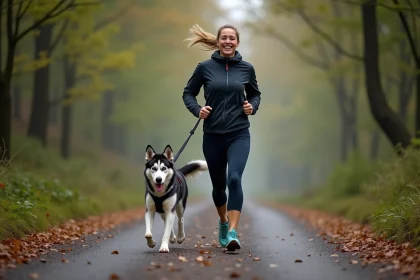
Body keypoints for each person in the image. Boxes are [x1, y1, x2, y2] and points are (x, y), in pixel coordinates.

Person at [182, 24, 261, 251]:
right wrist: (198, 110)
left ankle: (234, 232)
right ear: (218, 42)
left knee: (234, 179)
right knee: (218, 188)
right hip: (213, 135)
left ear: (237, 42)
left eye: (232, 38)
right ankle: (224, 222)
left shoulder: (247, 69)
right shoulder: (204, 68)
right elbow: (188, 93)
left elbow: (255, 94)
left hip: (239, 134)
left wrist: (251, 107)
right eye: (224, 38)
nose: (228, 41)